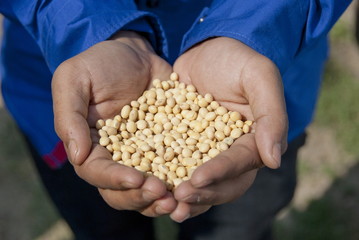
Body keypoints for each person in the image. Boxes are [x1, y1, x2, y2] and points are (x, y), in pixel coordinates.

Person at [0, 0, 352, 239]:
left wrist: (253, 28)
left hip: (257, 90)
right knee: (102, 228)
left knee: (236, 229)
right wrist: (84, 28)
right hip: (71, 82)